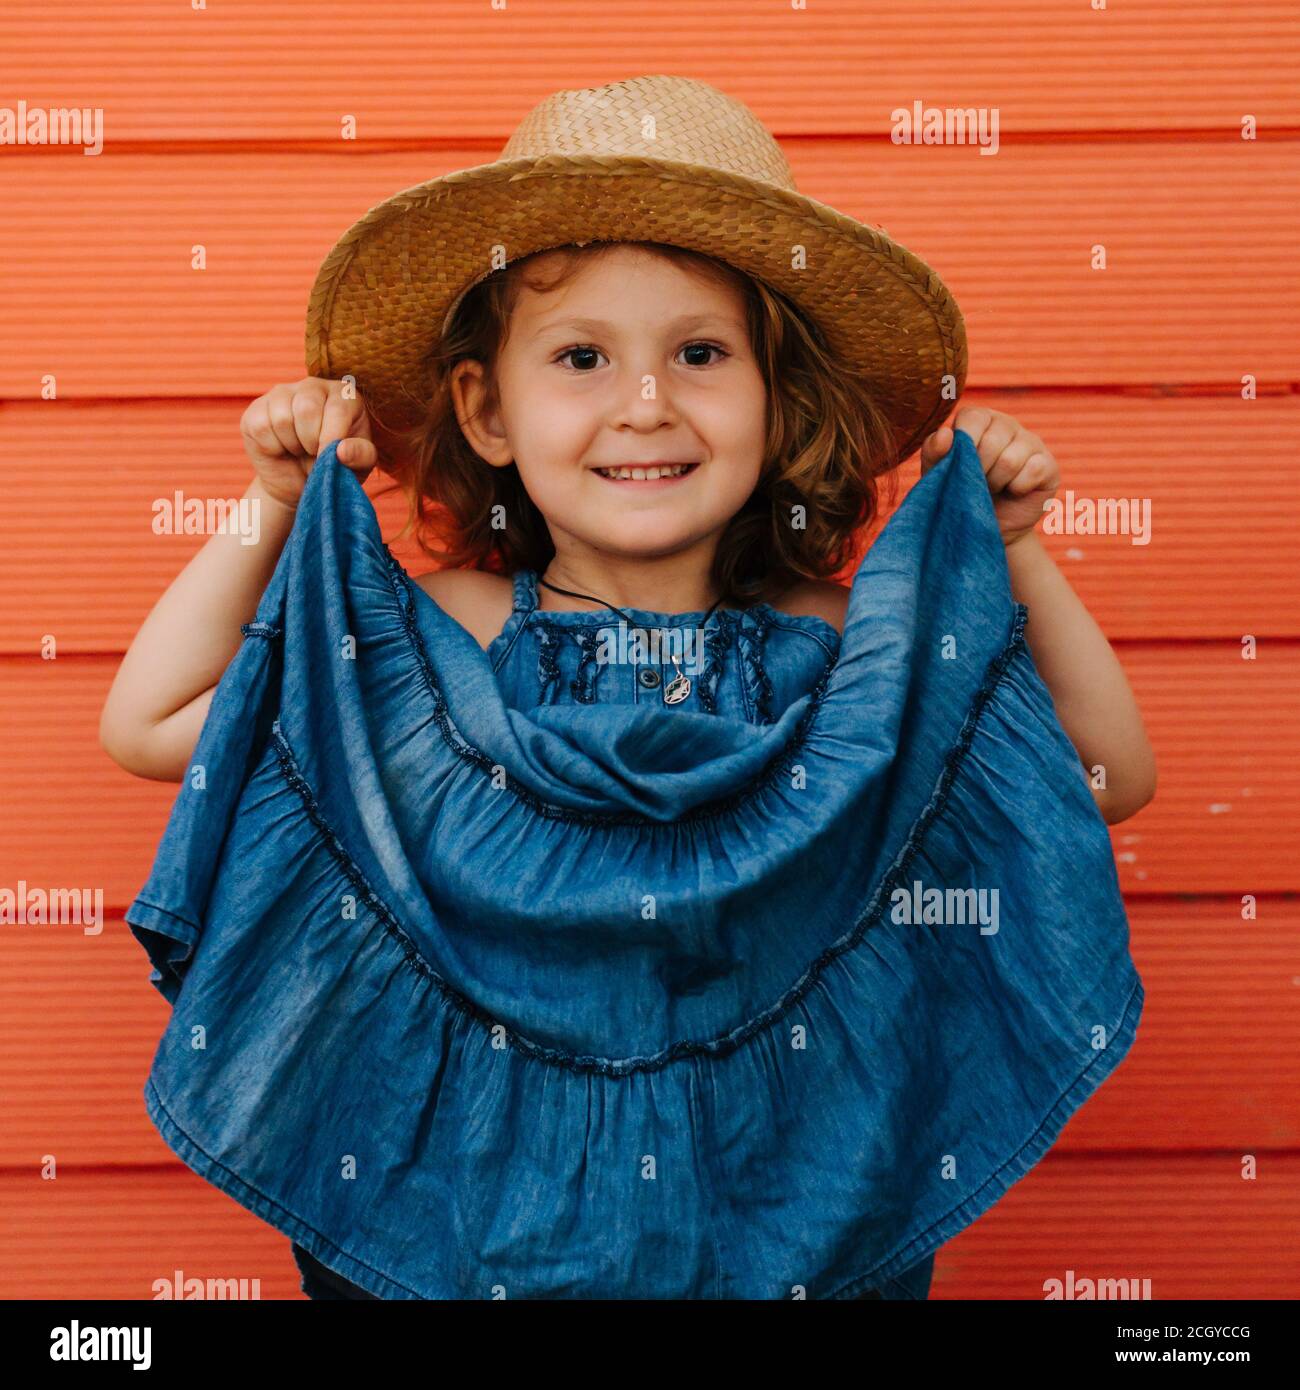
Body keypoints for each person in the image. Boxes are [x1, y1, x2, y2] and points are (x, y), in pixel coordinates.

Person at [100, 75, 1151, 1301]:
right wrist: (275, 509)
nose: (644, 404)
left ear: (775, 400)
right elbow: (152, 721)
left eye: (699, 354)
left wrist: (1015, 547)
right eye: (582, 357)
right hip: (488, 1221)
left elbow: (1104, 773)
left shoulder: (837, 651)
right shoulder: (446, 639)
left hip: (788, 1204)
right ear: (487, 411)